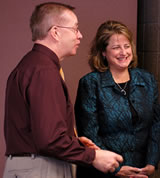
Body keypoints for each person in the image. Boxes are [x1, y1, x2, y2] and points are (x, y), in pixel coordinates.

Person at [3, 2, 123, 178]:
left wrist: (73, 143)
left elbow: (39, 132)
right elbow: (49, 140)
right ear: (56, 32)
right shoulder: (44, 72)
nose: (80, 35)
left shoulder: (31, 65)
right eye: (75, 29)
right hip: (41, 169)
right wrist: (93, 156)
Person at [74, 20, 160, 178]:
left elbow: (156, 125)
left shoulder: (147, 79)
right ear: (103, 52)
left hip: (140, 171)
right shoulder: (91, 83)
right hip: (103, 172)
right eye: (116, 47)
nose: (123, 52)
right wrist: (116, 169)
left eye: (127, 46)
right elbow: (89, 134)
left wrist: (151, 163)